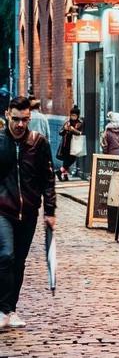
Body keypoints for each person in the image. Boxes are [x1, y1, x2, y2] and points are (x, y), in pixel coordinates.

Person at [0, 96, 56, 329]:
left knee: (19, 262)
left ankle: (10, 309)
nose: (21, 125)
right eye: (16, 119)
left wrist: (50, 210)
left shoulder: (38, 142)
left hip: (29, 212)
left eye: (25, 120)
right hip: (3, 209)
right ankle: (2, 309)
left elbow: (48, 178)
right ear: (7, 115)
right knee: (6, 255)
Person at [56, 106, 84, 181]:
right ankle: (65, 175)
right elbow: (60, 133)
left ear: (77, 115)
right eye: (72, 115)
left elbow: (81, 133)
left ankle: (60, 171)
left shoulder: (80, 123)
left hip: (74, 145)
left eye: (74, 115)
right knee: (66, 160)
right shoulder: (67, 122)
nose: (73, 117)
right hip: (66, 145)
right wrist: (65, 129)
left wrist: (73, 130)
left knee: (72, 159)